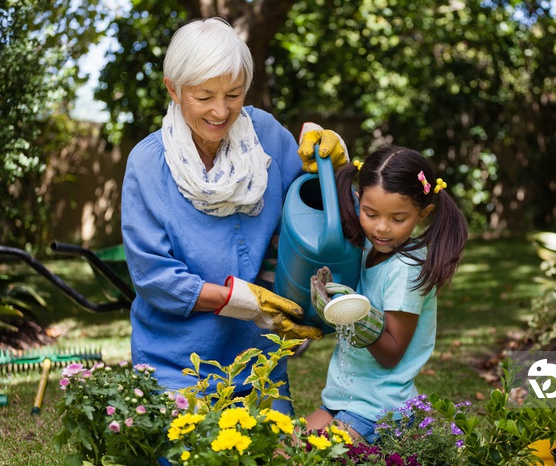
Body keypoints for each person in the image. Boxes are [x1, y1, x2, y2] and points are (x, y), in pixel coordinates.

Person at [120, 17, 348, 415]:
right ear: (173, 88)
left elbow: (313, 211)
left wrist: (334, 165)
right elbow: (154, 277)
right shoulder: (147, 164)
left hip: (258, 359)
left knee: (272, 457)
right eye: (204, 95)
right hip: (176, 363)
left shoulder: (265, 134)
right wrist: (242, 299)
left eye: (234, 93)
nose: (221, 110)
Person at [305, 145, 468, 443]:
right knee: (280, 451)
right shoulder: (369, 245)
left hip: (378, 411)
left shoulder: (405, 268)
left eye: (398, 219)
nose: (381, 228)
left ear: (423, 214)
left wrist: (354, 317)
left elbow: (391, 354)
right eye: (370, 213)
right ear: (359, 201)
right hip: (341, 399)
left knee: (306, 459)